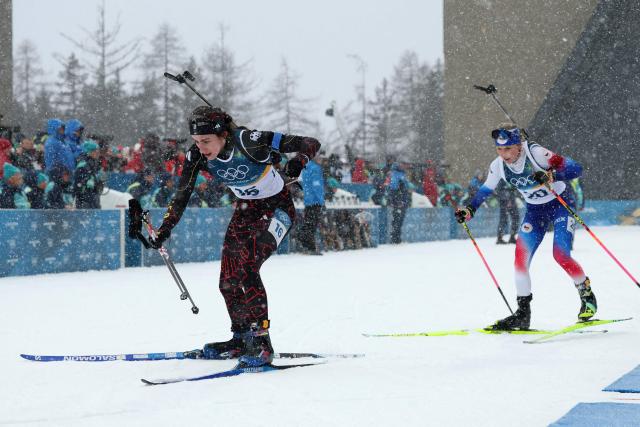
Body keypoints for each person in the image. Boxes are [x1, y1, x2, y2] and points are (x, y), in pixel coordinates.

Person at [146, 106, 320, 367]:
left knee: (249, 268)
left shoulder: (248, 141)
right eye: (197, 141)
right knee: (227, 281)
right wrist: (165, 227)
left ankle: (261, 342)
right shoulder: (197, 156)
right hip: (245, 213)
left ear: (223, 135)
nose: (202, 148)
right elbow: (182, 193)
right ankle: (241, 339)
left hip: (277, 209)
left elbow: (310, 142)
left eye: (206, 141)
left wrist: (300, 160)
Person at [455, 123, 594, 330]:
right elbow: (485, 190)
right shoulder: (498, 166)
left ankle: (587, 295)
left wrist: (551, 175)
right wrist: (470, 209)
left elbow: (577, 169)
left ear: (519, 145)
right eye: (499, 149)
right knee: (520, 261)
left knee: (561, 255)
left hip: (560, 205)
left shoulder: (536, 153)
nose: (504, 154)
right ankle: (522, 314)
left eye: (508, 149)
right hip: (534, 211)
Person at [298, 151, 325, 254]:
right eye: (320, 157)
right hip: (315, 201)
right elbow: (316, 186)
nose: (321, 159)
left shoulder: (306, 167)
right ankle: (310, 247)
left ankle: (305, 245)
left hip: (308, 200)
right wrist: (321, 200)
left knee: (308, 223)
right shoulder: (315, 168)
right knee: (312, 225)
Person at [73, 140, 103, 209]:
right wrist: (85, 183)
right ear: (89, 152)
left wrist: (98, 182)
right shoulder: (83, 164)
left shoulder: (93, 163)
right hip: (85, 199)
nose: (97, 153)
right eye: (95, 150)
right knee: (86, 218)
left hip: (93, 197)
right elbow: (78, 184)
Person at [387, 162, 411, 244]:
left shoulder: (400, 175)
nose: (403, 166)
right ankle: (395, 238)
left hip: (401, 201)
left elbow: (404, 189)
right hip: (400, 202)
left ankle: (396, 237)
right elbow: (394, 190)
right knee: (397, 220)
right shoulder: (397, 175)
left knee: (398, 220)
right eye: (401, 165)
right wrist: (398, 201)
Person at [495, 180, 520, 244]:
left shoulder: (510, 177)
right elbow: (500, 190)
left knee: (516, 218)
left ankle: (512, 236)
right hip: (505, 201)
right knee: (504, 220)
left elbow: (514, 188)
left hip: (511, 200)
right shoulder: (502, 178)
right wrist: (507, 200)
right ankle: (499, 238)